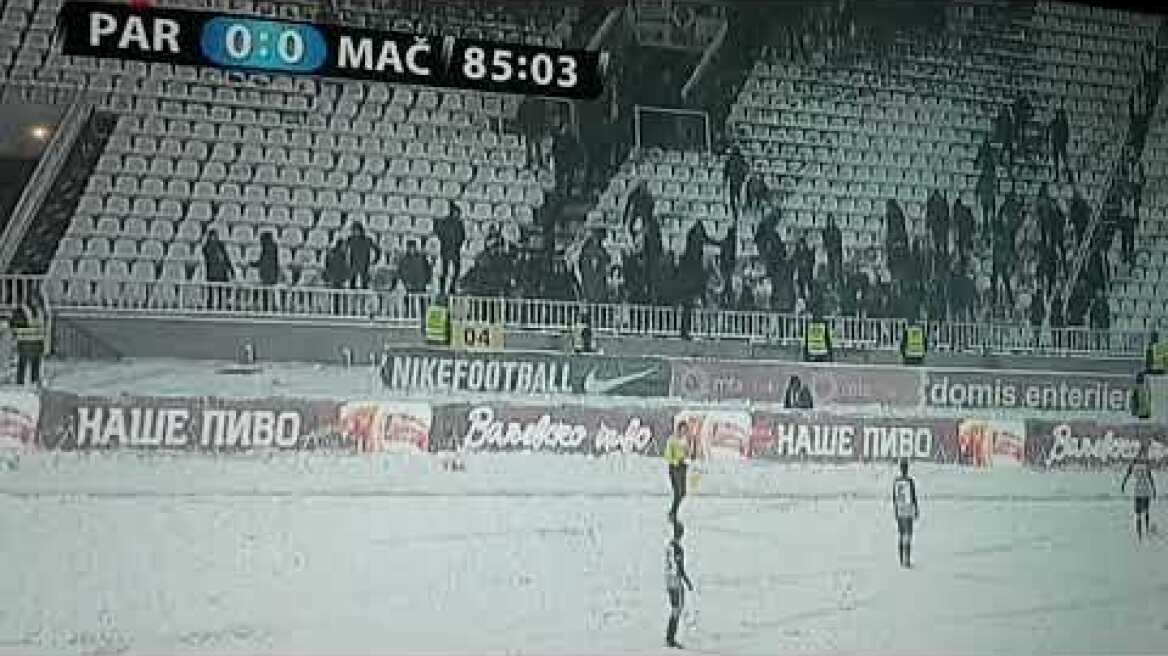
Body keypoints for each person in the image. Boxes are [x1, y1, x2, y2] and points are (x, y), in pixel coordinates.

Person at [664, 520, 695, 650]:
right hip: (675, 580)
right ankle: (670, 639)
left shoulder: (669, 546)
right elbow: (680, 567)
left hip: (668, 579)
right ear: (681, 533)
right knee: (677, 609)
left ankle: (670, 637)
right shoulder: (678, 549)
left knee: (675, 608)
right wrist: (687, 581)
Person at [1121, 445, 1156, 541]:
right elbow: (1150, 477)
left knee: (1139, 514)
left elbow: (1127, 475)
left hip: (1139, 491)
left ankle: (1140, 534)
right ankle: (1145, 532)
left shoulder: (1134, 464)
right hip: (1144, 490)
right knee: (1145, 512)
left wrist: (1123, 485)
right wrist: (1154, 489)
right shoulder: (1145, 464)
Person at [9, 295, 46, 386]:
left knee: (31, 365)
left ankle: (30, 383)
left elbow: (14, 325)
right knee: (26, 365)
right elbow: (15, 325)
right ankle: (23, 383)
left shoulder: (39, 311)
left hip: (34, 343)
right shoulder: (23, 310)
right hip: (28, 343)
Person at [892, 459, 920, 568]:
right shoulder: (909, 481)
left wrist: (896, 510)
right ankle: (906, 560)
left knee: (901, 534)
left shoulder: (896, 481)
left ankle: (901, 558)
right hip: (908, 509)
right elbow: (913, 497)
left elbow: (894, 498)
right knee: (908, 535)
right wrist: (915, 509)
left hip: (900, 509)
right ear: (907, 468)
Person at [436, 202, 465, 294]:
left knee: (457, 270)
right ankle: (442, 289)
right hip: (446, 249)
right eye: (456, 212)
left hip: (455, 250)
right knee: (444, 271)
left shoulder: (459, 224)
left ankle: (452, 287)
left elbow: (462, 236)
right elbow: (440, 233)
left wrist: (458, 244)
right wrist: (445, 242)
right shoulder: (445, 222)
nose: (457, 214)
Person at [664, 423, 691, 519]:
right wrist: (675, 461)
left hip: (683, 467)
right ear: (679, 429)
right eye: (683, 429)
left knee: (683, 492)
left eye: (686, 430)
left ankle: (673, 511)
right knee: (678, 492)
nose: (684, 431)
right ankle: (673, 513)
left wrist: (688, 458)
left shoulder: (685, 440)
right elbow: (667, 455)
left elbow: (688, 453)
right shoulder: (672, 440)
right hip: (675, 467)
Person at [346, 222, 382, 290]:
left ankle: (364, 299)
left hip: (364, 265)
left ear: (361, 230)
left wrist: (375, 260)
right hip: (354, 265)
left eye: (357, 230)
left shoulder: (367, 240)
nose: (356, 232)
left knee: (364, 285)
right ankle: (351, 299)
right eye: (354, 230)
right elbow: (343, 249)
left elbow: (377, 250)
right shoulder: (350, 240)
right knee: (352, 285)